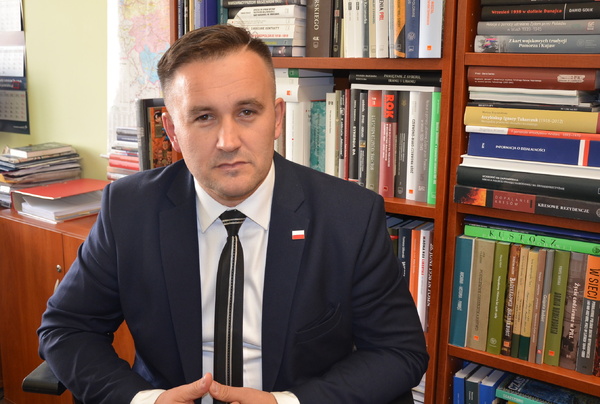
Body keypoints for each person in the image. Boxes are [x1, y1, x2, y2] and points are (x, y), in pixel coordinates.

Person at [38, 24, 428, 404]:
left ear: (277, 118)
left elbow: (398, 350)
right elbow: (67, 329)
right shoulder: (128, 210)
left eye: (246, 111)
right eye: (204, 117)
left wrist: (288, 402)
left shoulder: (349, 216)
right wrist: (146, 400)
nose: (228, 142)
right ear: (172, 130)